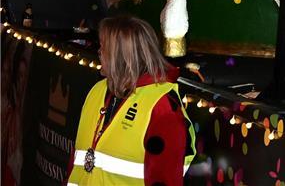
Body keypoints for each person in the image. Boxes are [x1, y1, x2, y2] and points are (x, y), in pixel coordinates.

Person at [65, 15, 195, 185]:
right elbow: (76, 162)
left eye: (103, 48)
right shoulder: (97, 91)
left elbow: (166, 178)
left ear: (121, 56)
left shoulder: (161, 105)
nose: (98, 52)